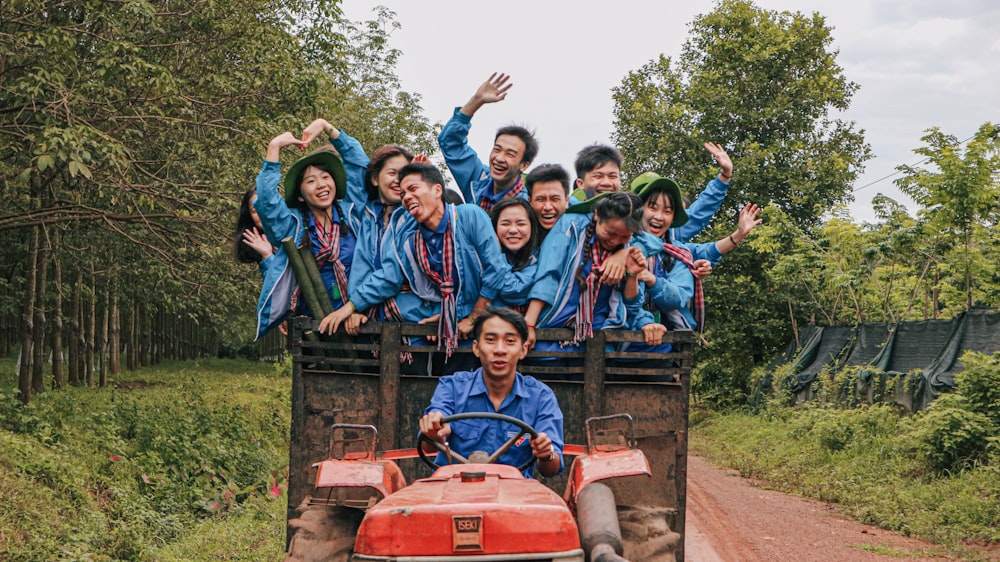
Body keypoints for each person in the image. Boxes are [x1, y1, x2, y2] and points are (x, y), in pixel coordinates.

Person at [321, 163, 511, 373]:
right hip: (448, 327)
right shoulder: (409, 237)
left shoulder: (468, 217)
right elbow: (389, 276)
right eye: (403, 194)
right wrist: (351, 307)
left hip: (487, 323)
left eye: (413, 189)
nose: (407, 197)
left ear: (437, 190)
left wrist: (473, 317)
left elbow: (496, 270)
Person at [419, 307, 563, 478]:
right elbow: (428, 444)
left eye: (510, 341)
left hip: (514, 495)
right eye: (490, 340)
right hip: (453, 491)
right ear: (476, 347)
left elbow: (552, 468)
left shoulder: (541, 397)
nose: (499, 350)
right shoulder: (452, 387)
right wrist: (434, 429)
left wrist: (546, 453)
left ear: (523, 349)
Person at [252, 120, 364, 334]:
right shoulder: (293, 225)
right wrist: (273, 149)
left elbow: (360, 167)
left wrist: (327, 128)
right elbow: (266, 202)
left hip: (358, 319)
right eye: (311, 181)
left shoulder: (353, 214)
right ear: (301, 196)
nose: (321, 185)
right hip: (316, 326)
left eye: (325, 177)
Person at [522, 191, 668, 355]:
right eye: (610, 233)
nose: (614, 241)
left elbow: (631, 307)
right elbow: (548, 275)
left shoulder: (629, 249)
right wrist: (529, 324)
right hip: (558, 324)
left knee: (662, 348)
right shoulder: (571, 228)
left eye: (624, 237)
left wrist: (632, 274)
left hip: (601, 330)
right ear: (597, 214)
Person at [437, 73, 539, 212]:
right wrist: (477, 101)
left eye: (510, 154)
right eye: (497, 149)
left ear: (524, 165)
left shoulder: (530, 204)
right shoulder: (479, 180)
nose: (499, 158)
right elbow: (450, 142)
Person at [490, 198, 541, 313]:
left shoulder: (538, 258)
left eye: (521, 224)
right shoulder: (482, 256)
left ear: (532, 227)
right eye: (505, 224)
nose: (513, 230)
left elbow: (511, 289)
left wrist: (498, 254)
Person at [525, 163, 571, 236]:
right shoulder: (519, 233)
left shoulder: (580, 233)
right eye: (540, 199)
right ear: (530, 201)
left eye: (555, 199)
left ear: (566, 200)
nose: (547, 207)